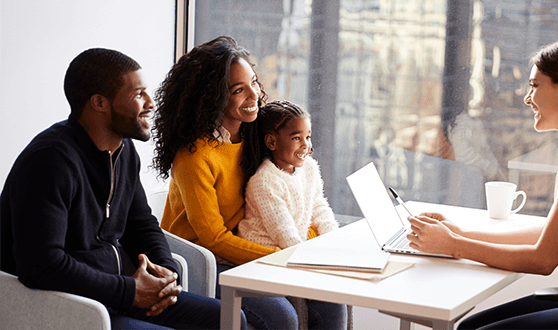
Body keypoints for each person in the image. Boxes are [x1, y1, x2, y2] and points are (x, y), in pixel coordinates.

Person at [407, 37, 558, 329]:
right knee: (469, 326)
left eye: (535, 86)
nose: (527, 97)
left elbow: (543, 260)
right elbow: (553, 233)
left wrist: (456, 246)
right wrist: (461, 234)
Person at [0, 48, 244, 329]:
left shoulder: (124, 151)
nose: (151, 103)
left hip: (118, 293)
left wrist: (165, 271)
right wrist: (130, 291)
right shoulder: (49, 161)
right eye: (138, 94)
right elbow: (41, 265)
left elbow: (141, 224)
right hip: (67, 303)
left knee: (230, 318)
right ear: (100, 103)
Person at [153, 36, 307, 330]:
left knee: (328, 297)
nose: (254, 95)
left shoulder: (254, 134)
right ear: (212, 98)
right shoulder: (195, 155)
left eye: (254, 82)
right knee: (281, 315)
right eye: (239, 90)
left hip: (246, 248)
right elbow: (213, 238)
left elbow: (291, 187)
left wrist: (308, 244)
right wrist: (284, 257)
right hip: (204, 262)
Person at [238, 100, 347, 329]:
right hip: (270, 258)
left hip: (296, 250)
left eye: (308, 137)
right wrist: (312, 276)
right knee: (308, 301)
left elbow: (320, 208)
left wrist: (336, 246)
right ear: (272, 141)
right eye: (297, 138)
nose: (305, 145)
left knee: (338, 299)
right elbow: (285, 236)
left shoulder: (309, 168)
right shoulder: (264, 182)